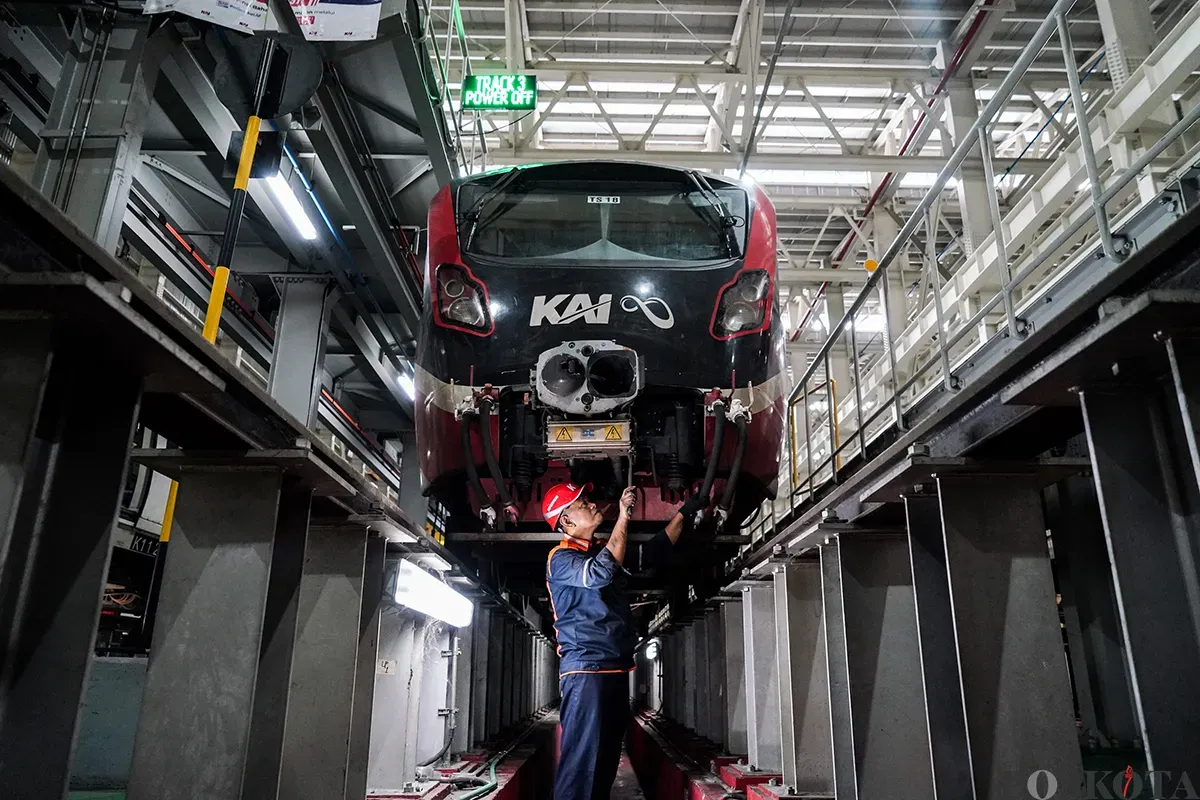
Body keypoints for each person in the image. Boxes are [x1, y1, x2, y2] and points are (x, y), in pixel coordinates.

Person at [542, 481, 707, 800]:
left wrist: (684, 512)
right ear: (566, 521)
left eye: (587, 498)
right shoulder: (561, 559)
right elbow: (600, 573)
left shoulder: (601, 549)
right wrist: (623, 516)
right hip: (585, 672)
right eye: (581, 503)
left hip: (613, 671)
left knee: (603, 760)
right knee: (581, 765)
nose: (590, 504)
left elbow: (652, 553)